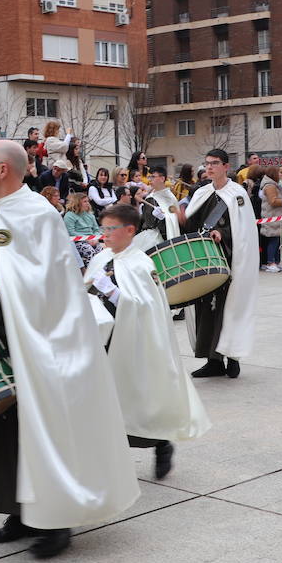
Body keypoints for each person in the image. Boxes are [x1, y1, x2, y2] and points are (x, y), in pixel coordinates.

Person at [0, 140, 140, 558]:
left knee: (46, 422)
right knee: (6, 425)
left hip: (40, 333)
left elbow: (58, 278)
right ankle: (19, 511)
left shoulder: (39, 213)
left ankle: (57, 520)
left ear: (3, 169)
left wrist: (1, 283)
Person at [89, 204, 211, 479]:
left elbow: (150, 308)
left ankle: (160, 442)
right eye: (103, 228)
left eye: (110, 229)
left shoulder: (141, 264)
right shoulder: (101, 258)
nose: (104, 234)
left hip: (130, 341)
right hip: (102, 340)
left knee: (138, 404)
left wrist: (115, 295)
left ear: (130, 231)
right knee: (104, 404)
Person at [180, 148, 259, 379]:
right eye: (207, 163)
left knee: (229, 309)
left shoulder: (237, 194)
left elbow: (244, 231)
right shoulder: (201, 193)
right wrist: (182, 220)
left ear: (226, 166)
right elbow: (191, 227)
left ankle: (232, 358)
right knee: (207, 310)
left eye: (215, 163)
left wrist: (222, 233)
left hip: (229, 261)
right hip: (204, 262)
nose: (210, 167)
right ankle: (213, 361)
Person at [259, 166, 282, 272]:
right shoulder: (269, 186)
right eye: (278, 172)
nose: (279, 174)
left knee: (278, 241)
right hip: (272, 216)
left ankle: (278, 262)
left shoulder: (274, 184)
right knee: (273, 240)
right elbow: (273, 201)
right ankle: (270, 262)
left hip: (277, 216)